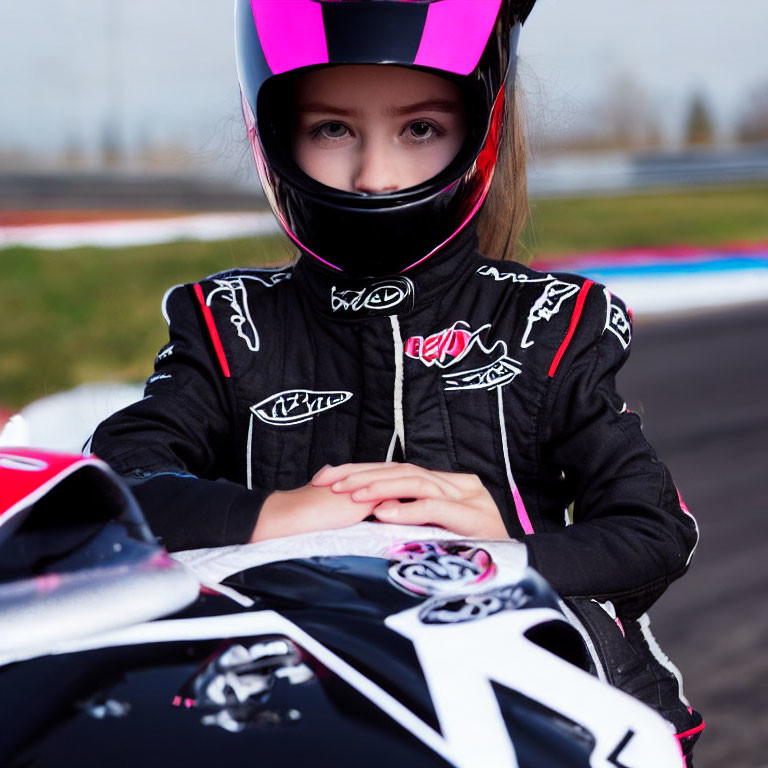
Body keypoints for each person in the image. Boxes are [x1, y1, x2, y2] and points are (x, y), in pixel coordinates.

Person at [92, 0, 703, 761]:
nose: (375, 176)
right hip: (294, 704)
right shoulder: (227, 323)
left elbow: (655, 532)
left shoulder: (553, 322)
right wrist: (281, 517)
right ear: (275, 130)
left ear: (480, 125)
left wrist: (502, 553)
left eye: (419, 129)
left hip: (528, 709)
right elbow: (104, 489)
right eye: (332, 129)